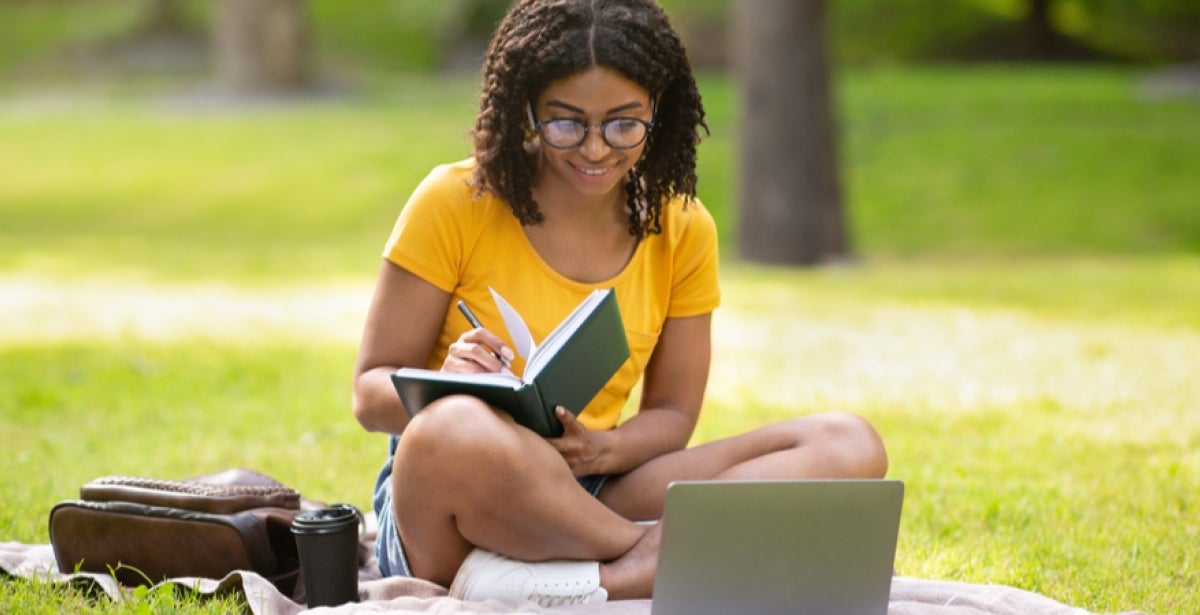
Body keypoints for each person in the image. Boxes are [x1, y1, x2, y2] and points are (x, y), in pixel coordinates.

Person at [352, 0, 888, 606]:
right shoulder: (455, 201)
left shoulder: (681, 227)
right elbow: (369, 394)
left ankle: (607, 577)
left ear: (657, 111)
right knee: (450, 430)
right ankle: (669, 556)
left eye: (623, 124)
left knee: (848, 442)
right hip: (458, 498)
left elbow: (673, 416)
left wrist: (600, 450)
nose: (596, 149)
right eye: (566, 123)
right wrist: (446, 387)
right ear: (526, 108)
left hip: (590, 487)